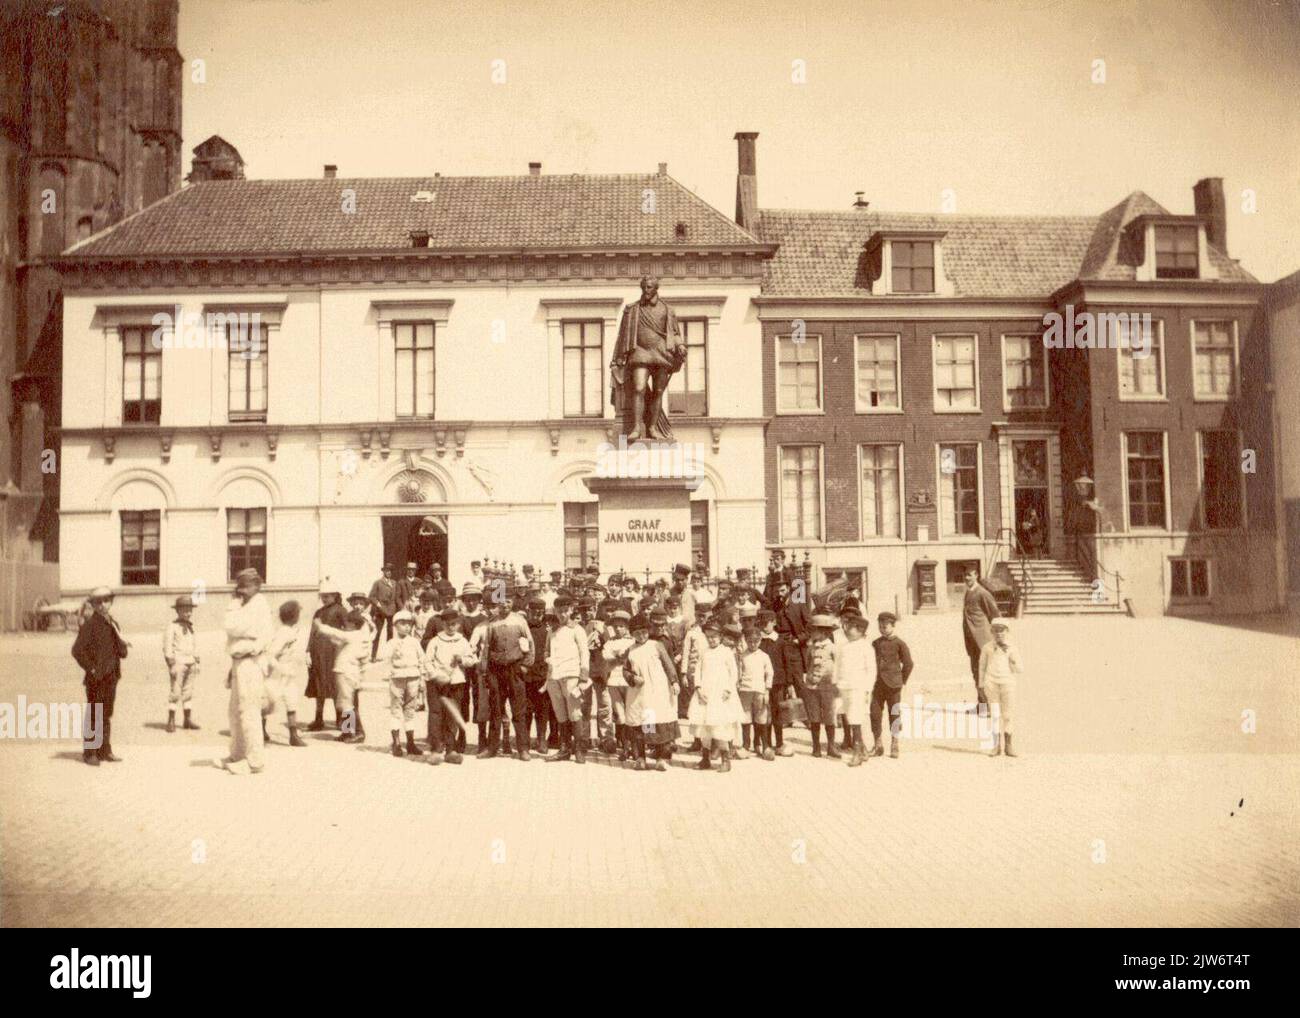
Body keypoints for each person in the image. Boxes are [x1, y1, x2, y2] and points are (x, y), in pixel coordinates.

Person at [218, 568, 274, 775]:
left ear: (256, 586)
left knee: (249, 712)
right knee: (235, 712)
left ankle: (254, 761)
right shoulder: (244, 605)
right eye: (241, 586)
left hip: (252, 662)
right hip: (238, 662)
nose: (243, 590)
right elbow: (232, 628)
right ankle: (237, 754)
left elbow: (232, 626)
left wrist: (238, 618)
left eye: (247, 586)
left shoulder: (259, 605)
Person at [71, 585, 128, 765]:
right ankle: (90, 753)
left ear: (111, 602)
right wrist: (92, 669)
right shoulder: (90, 625)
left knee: (106, 713)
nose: (103, 605)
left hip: (111, 676)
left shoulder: (112, 623)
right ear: (93, 605)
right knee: (95, 714)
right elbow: (77, 650)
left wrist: (123, 647)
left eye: (106, 601)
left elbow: (120, 649)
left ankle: (105, 750)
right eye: (98, 602)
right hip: (96, 678)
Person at [623, 614, 680, 771]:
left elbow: (668, 665)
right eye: (637, 633)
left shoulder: (656, 645)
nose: (641, 636)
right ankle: (641, 757)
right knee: (640, 725)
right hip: (639, 694)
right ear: (632, 634)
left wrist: (674, 681)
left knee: (657, 723)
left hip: (657, 691)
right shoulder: (630, 650)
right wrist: (633, 678)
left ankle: (661, 758)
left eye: (644, 632)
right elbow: (625, 670)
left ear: (648, 631)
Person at [479, 597, 533, 760]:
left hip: (515, 669)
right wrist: (485, 670)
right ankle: (492, 748)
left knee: (519, 708)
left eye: (508, 601)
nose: (505, 604)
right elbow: (486, 647)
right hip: (496, 670)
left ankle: (523, 749)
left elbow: (529, 643)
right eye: (502, 601)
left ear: (512, 603)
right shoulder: (492, 622)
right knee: (495, 708)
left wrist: (525, 665)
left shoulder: (520, 621)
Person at [688, 620, 743, 772]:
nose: (711, 639)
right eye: (708, 637)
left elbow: (734, 674)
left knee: (720, 727)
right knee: (704, 728)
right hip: (705, 695)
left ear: (720, 637)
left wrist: (728, 690)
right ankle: (705, 758)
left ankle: (725, 759)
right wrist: (698, 688)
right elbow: (697, 672)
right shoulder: (704, 653)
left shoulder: (726, 653)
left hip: (721, 696)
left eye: (714, 636)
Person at [424, 607, 475, 765]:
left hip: (456, 683)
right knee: (436, 714)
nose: (451, 627)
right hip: (437, 683)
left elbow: (472, 659)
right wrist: (436, 675)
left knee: (452, 715)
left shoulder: (462, 641)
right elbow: (427, 662)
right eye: (447, 624)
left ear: (458, 624)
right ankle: (435, 750)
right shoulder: (435, 641)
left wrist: (462, 660)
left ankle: (450, 749)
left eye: (454, 624)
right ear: (442, 624)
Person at [314, 607, 371, 743]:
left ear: (353, 624)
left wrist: (320, 626)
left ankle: (356, 732)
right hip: (348, 672)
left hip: (346, 672)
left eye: (348, 623)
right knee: (345, 702)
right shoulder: (358, 636)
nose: (345, 625)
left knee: (347, 703)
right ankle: (347, 731)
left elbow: (337, 634)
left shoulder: (353, 635)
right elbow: (338, 639)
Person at [546, 596, 589, 763]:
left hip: (571, 675)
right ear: (555, 611)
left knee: (574, 713)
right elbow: (547, 652)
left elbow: (585, 653)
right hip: (554, 677)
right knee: (560, 713)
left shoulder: (577, 629)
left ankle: (579, 749)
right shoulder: (552, 631)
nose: (563, 614)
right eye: (559, 611)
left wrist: (583, 677)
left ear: (571, 610)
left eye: (566, 611)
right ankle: (564, 749)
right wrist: (547, 659)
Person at [263, 600, 309, 748]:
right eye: (298, 613)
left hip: (288, 675)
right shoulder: (283, 633)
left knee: (291, 701)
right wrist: (281, 668)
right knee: (268, 703)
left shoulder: (291, 631)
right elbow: (270, 654)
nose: (299, 616)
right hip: (277, 675)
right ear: (292, 615)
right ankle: (260, 730)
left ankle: (293, 735)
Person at [382, 610, 428, 758]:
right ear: (395, 625)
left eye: (409, 624)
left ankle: (410, 742)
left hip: (413, 678)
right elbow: (385, 661)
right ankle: (396, 743)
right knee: (396, 710)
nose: (407, 627)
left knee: (410, 711)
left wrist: (421, 679)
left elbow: (422, 660)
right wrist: (390, 671)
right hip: (397, 678)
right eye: (403, 624)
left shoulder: (415, 642)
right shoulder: (391, 643)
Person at [870, 612, 913, 759]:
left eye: (885, 626)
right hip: (877, 685)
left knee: (894, 714)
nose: (882, 628)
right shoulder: (875, 643)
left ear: (893, 626)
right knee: (875, 713)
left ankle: (895, 744)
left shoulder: (899, 643)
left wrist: (902, 680)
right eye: (880, 626)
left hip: (894, 685)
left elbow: (908, 664)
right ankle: (878, 744)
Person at [978, 619, 1022, 758]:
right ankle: (996, 746)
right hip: (991, 683)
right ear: (991, 632)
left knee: (1008, 715)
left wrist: (1012, 659)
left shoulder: (1012, 648)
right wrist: (981, 684)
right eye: (996, 631)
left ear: (1007, 632)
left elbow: (1020, 669)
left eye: (1001, 630)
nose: (999, 634)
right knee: (995, 714)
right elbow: (982, 666)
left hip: (1007, 683)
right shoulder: (987, 648)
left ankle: (1009, 746)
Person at [307, 582, 346, 731]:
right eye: (322, 596)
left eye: (327, 596)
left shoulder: (341, 611)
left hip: (333, 654)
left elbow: (348, 630)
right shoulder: (318, 612)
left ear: (335, 596)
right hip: (317, 654)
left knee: (335, 686)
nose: (324, 598)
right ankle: (318, 719)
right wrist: (307, 652)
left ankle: (341, 720)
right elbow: (312, 632)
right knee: (318, 685)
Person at [961, 568, 999, 715]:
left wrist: (998, 639)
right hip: (971, 641)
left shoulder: (983, 593)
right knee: (976, 672)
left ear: (976, 575)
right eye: (965, 575)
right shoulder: (968, 592)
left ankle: (989, 707)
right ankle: (982, 706)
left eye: (969, 575)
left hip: (983, 641)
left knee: (985, 673)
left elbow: (995, 615)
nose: (966, 578)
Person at [836, 614, 872, 766]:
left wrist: (867, 689)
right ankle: (863, 749)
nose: (846, 630)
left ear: (860, 630)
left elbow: (871, 670)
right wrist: (836, 684)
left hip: (858, 687)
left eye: (850, 628)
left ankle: (857, 751)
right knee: (850, 717)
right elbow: (838, 667)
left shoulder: (865, 647)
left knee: (856, 718)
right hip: (845, 686)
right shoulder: (844, 647)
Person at [802, 614, 840, 758]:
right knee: (814, 716)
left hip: (827, 686)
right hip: (812, 686)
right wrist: (810, 678)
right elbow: (808, 664)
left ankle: (831, 746)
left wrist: (835, 683)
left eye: (814, 630)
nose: (811, 633)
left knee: (829, 715)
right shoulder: (811, 648)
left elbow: (837, 666)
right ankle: (816, 747)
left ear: (824, 632)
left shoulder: (832, 648)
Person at [162, 594, 200, 733]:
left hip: (190, 662)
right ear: (177, 611)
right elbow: (167, 647)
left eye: (190, 610)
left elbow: (193, 646)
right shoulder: (172, 627)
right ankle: (171, 719)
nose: (188, 613)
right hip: (178, 663)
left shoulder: (190, 627)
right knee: (175, 692)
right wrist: (171, 663)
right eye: (184, 610)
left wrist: (196, 660)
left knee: (188, 691)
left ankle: (187, 719)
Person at [757, 608, 793, 756]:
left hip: (778, 683)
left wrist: (789, 683)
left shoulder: (780, 642)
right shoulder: (758, 641)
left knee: (777, 713)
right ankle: (766, 744)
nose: (765, 626)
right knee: (764, 712)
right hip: (762, 683)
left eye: (768, 623)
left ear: (774, 623)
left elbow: (787, 663)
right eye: (763, 624)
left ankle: (779, 743)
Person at [737, 626, 775, 761]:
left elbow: (769, 673)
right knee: (746, 718)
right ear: (746, 641)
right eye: (750, 641)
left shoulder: (764, 656)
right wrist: (738, 686)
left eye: (756, 641)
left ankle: (764, 746)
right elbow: (739, 673)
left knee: (761, 718)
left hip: (760, 691)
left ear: (760, 641)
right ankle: (746, 746)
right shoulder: (742, 656)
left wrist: (767, 690)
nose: (753, 644)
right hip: (745, 691)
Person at [601, 610, 634, 761]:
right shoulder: (610, 642)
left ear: (627, 626)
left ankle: (637, 746)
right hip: (614, 681)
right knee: (620, 716)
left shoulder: (632, 641)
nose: (619, 629)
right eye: (616, 626)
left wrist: (621, 656)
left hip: (629, 682)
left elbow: (632, 657)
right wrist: (618, 656)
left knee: (633, 714)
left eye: (622, 626)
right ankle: (625, 746)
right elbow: (606, 656)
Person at [524, 597, 553, 753]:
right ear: (528, 612)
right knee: (527, 708)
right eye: (533, 613)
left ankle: (542, 739)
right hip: (526, 674)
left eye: (540, 614)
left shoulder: (548, 629)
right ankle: (526, 739)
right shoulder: (523, 628)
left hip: (542, 675)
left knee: (542, 709)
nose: (536, 616)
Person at [368, 564, 398, 662]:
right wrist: (378, 604)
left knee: (390, 633)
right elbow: (371, 596)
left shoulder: (394, 583)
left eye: (390, 571)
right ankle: (373, 655)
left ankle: (389, 655)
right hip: (380, 610)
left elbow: (396, 597)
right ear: (383, 571)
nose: (388, 572)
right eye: (386, 570)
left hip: (391, 610)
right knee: (378, 632)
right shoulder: (378, 583)